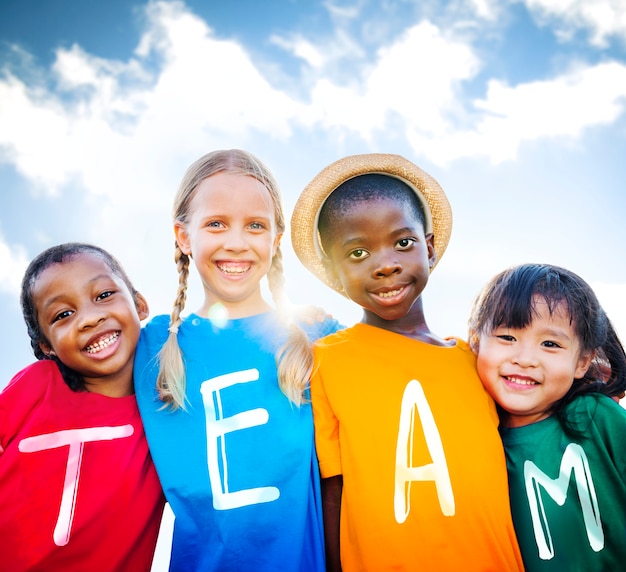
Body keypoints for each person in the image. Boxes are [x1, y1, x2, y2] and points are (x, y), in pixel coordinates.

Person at [290, 153, 524, 571]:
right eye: (358, 252)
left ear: (429, 249)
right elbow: (333, 490)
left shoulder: (476, 361)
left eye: (403, 242)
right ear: (333, 271)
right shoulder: (328, 360)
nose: (386, 265)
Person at [134, 149, 341, 571]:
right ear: (183, 236)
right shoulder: (149, 347)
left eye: (255, 226)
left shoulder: (317, 341)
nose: (236, 242)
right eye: (216, 224)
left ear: (275, 240)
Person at [0, 243, 165, 571]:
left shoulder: (164, 410)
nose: (90, 318)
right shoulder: (38, 385)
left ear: (140, 304)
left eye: (104, 295)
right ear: (47, 345)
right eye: (63, 314)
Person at [469, 263, 626, 571]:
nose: (524, 359)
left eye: (550, 344)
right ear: (476, 341)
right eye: (506, 337)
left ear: (581, 362)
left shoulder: (597, 418)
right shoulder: (475, 439)